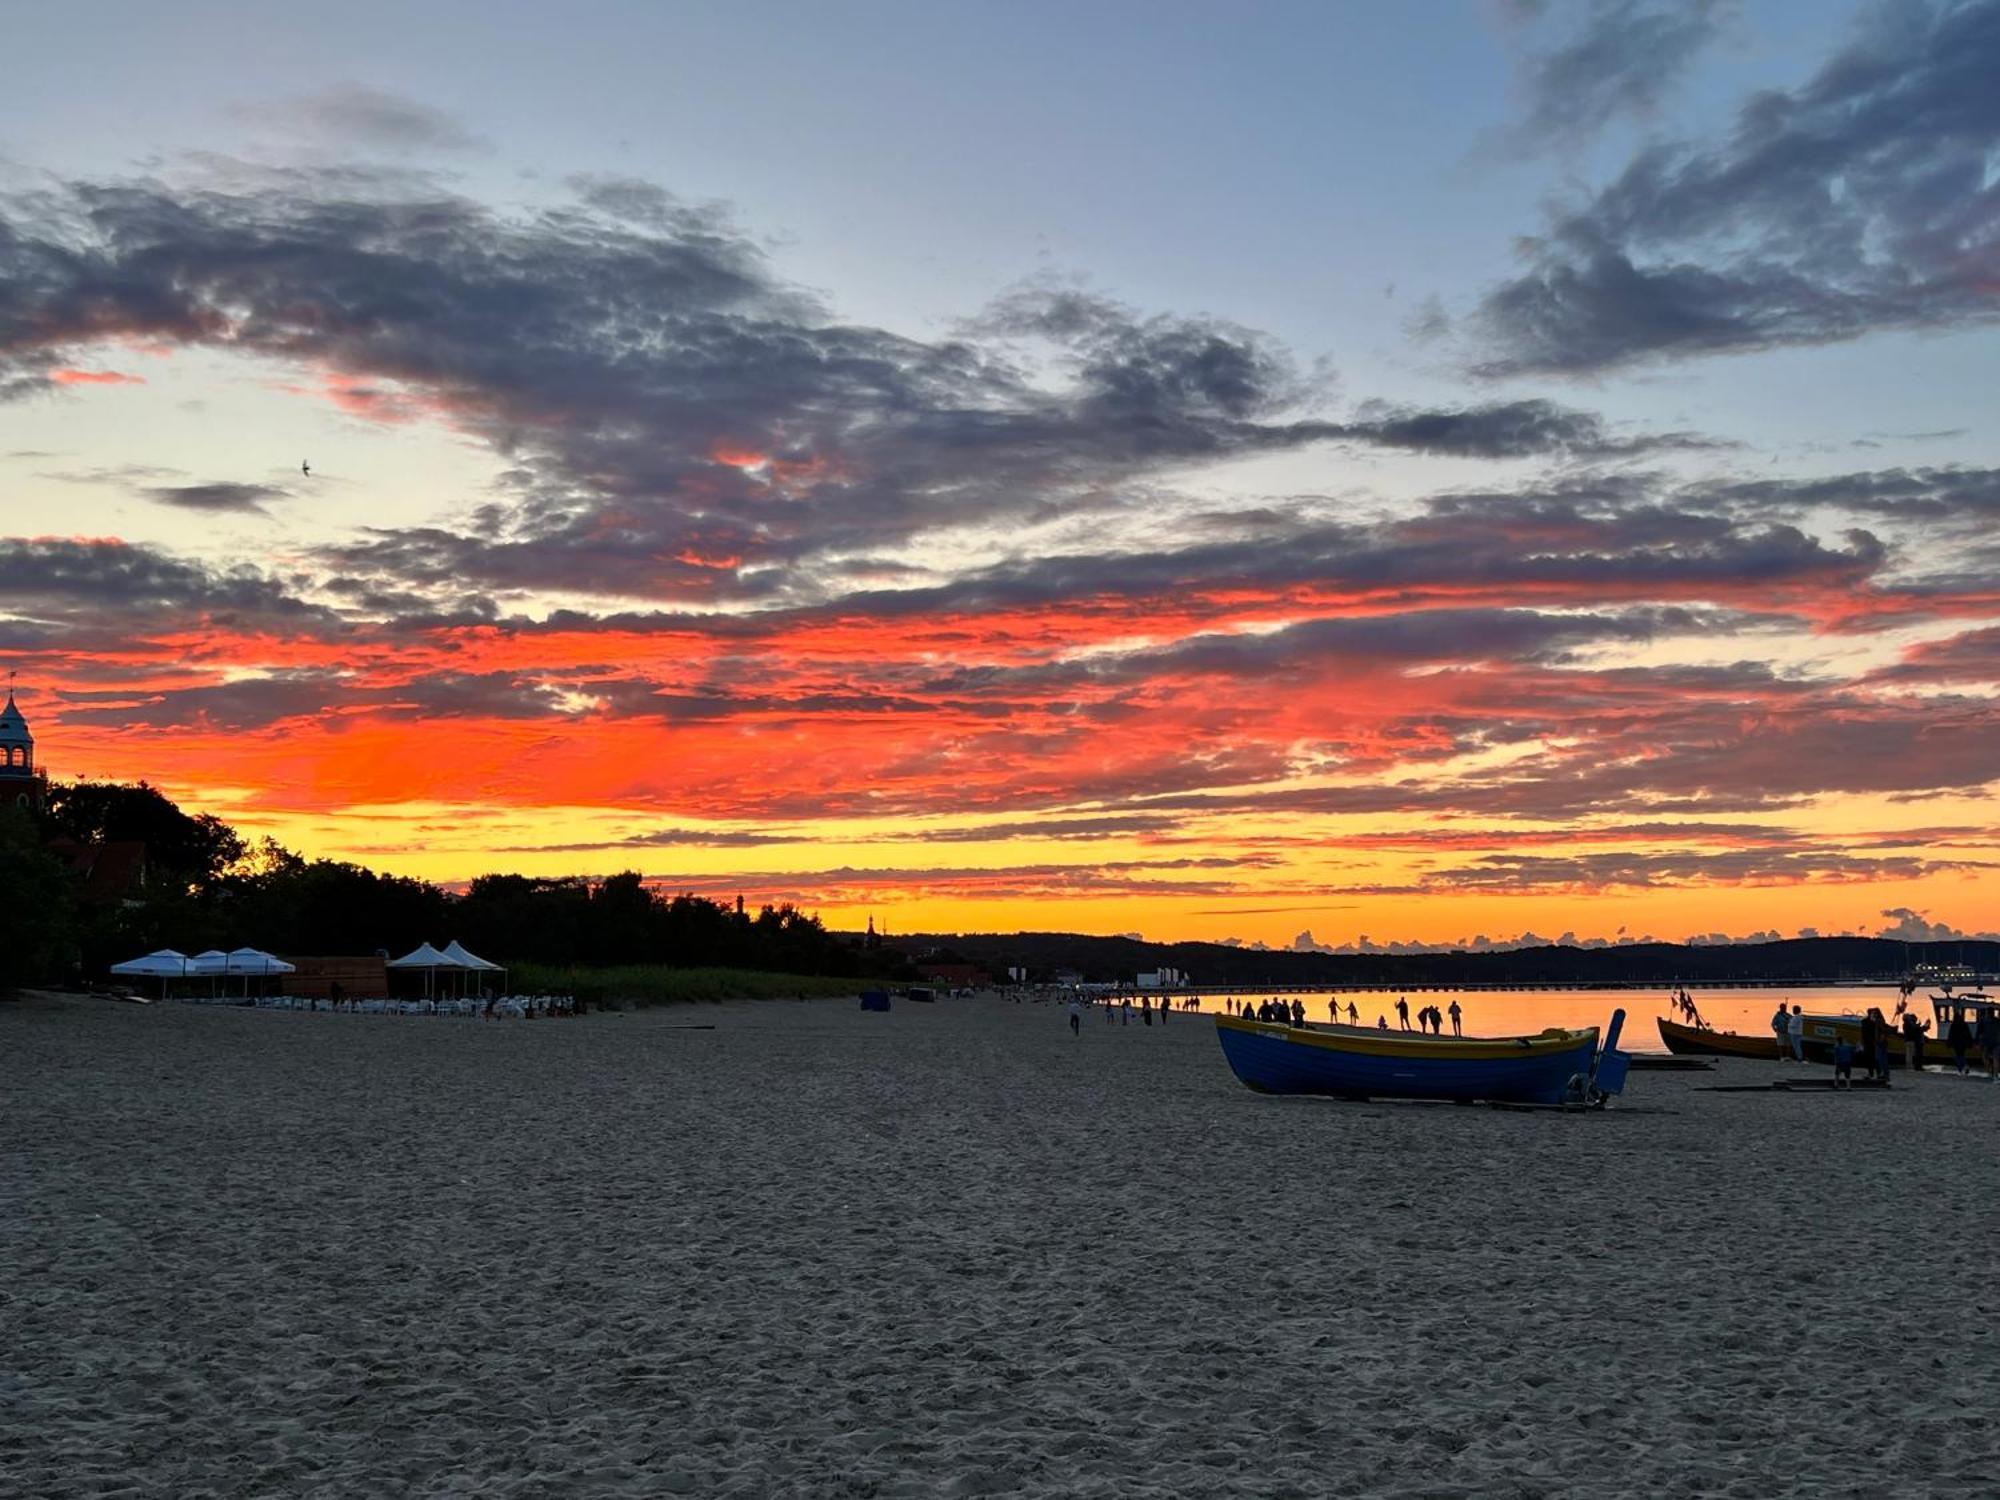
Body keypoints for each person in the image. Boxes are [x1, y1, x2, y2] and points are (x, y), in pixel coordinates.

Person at [1948, 1009, 1973, 1075]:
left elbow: (1951, 1034)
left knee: (1957, 1056)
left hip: (1956, 1043)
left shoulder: (1954, 1025)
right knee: (1962, 1055)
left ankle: (1961, 1069)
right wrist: (1970, 1043)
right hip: (1963, 1043)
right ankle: (1965, 1065)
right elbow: (1968, 1034)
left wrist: (1949, 1043)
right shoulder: (1964, 1024)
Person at [1859, 1009, 1881, 1081]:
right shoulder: (1871, 1022)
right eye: (1873, 1013)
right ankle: (1874, 1073)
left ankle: (1873, 1073)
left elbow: (1863, 1033)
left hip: (1870, 1043)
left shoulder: (1867, 1021)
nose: (1874, 1014)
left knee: (1872, 1059)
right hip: (1870, 1043)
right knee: (1872, 1059)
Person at [1979, 1007, 2000, 1081]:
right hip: (1997, 1042)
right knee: (1996, 1059)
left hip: (1986, 1042)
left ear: (1987, 1013)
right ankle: (1995, 1075)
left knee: (1985, 1057)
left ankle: (1990, 1071)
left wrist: (1978, 1043)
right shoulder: (1998, 1021)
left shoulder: (1983, 1021)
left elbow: (1979, 1033)